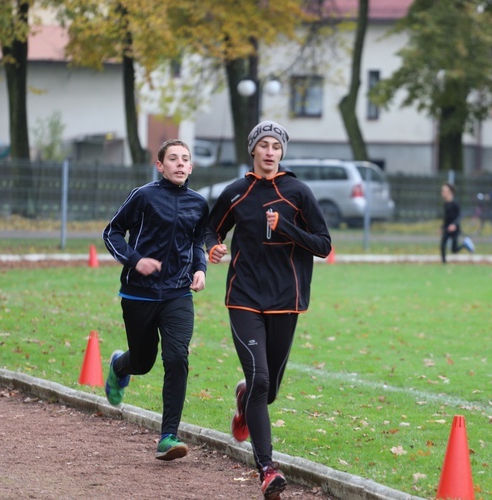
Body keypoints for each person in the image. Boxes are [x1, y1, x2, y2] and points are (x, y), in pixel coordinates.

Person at [204, 121, 331, 500]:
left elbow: (323, 245)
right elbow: (211, 229)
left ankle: (245, 399)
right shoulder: (236, 192)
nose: (270, 151)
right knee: (260, 379)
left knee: (267, 390)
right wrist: (212, 247)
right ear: (253, 151)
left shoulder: (298, 192)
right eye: (264, 145)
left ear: (283, 153)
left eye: (277, 145)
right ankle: (267, 469)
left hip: (286, 300)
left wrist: (288, 227)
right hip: (243, 297)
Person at [102, 139, 208, 461]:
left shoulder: (198, 204)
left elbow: (197, 242)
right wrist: (136, 260)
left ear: (191, 167)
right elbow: (112, 232)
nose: (179, 164)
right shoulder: (144, 196)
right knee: (144, 362)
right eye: (172, 158)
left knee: (177, 358)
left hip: (177, 293)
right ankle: (121, 364)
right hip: (139, 293)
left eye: (184, 159)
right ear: (159, 165)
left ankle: (168, 436)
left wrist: (200, 269)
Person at [440, 182, 475, 263]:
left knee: (454, 250)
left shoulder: (455, 203)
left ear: (451, 192)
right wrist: (442, 227)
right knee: (442, 245)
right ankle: (443, 263)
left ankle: (465, 244)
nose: (443, 193)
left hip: (455, 228)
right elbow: (446, 218)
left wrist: (454, 224)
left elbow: (460, 216)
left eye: (445, 191)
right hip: (447, 227)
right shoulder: (445, 204)